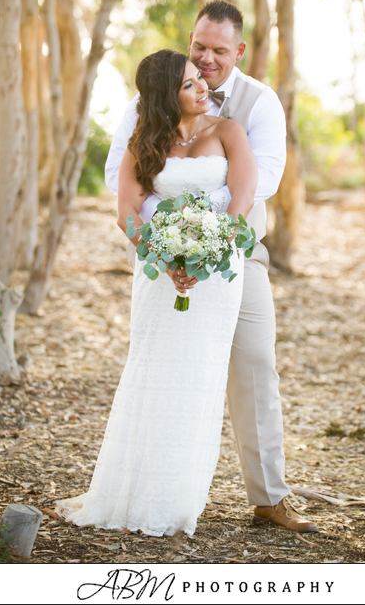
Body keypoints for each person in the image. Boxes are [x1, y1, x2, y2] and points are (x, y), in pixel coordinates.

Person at [104, 0, 318, 534]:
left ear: (238, 50)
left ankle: (270, 497)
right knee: (159, 370)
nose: (205, 59)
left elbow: (262, 179)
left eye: (218, 50)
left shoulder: (258, 104)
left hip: (239, 256)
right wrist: (167, 243)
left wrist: (204, 237)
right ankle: (147, 488)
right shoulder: (150, 96)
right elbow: (119, 176)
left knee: (253, 366)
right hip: (161, 259)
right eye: (199, 47)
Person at [56, 49, 258, 536]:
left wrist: (207, 253)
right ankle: (135, 492)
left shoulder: (228, 131)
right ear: (167, 97)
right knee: (153, 370)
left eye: (198, 81)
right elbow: (126, 210)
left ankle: (176, 499)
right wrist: (167, 262)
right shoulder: (141, 142)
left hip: (216, 272)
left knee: (200, 375)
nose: (201, 88)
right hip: (157, 273)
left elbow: (243, 199)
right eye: (189, 84)